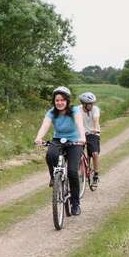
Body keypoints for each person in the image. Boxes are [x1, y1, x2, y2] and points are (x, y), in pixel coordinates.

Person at [34, 86, 86, 215]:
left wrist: (82, 138)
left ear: (67, 101)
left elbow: (80, 125)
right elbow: (45, 125)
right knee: (50, 155)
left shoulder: (74, 110)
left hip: (75, 142)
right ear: (54, 101)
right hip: (58, 139)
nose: (59, 103)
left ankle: (75, 203)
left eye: (62, 100)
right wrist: (39, 138)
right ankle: (54, 177)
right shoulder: (51, 112)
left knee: (72, 172)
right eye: (57, 100)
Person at [79, 91, 100, 185]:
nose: (91, 105)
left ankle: (96, 174)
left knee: (94, 153)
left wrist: (95, 128)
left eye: (92, 103)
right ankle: (82, 172)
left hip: (93, 133)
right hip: (80, 133)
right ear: (83, 104)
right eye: (89, 104)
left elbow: (96, 119)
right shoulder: (78, 110)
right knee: (78, 153)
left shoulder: (95, 109)